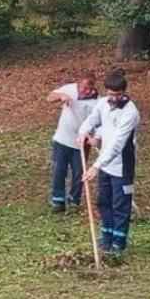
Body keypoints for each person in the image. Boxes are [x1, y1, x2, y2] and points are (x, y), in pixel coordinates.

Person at [79, 69, 140, 259]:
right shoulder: (103, 103)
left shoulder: (130, 113)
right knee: (104, 201)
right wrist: (84, 132)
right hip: (104, 162)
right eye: (110, 94)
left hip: (122, 165)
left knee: (120, 204)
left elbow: (117, 144)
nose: (113, 98)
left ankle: (118, 243)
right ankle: (106, 238)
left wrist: (96, 166)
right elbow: (95, 120)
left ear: (124, 92)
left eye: (117, 95)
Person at [45, 71, 99, 213]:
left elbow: (97, 122)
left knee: (78, 172)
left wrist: (93, 136)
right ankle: (58, 200)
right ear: (78, 84)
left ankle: (74, 200)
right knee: (59, 170)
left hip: (81, 142)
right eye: (83, 87)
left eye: (89, 88)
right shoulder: (69, 89)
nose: (85, 91)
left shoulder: (96, 102)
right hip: (62, 139)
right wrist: (61, 96)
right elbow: (49, 97)